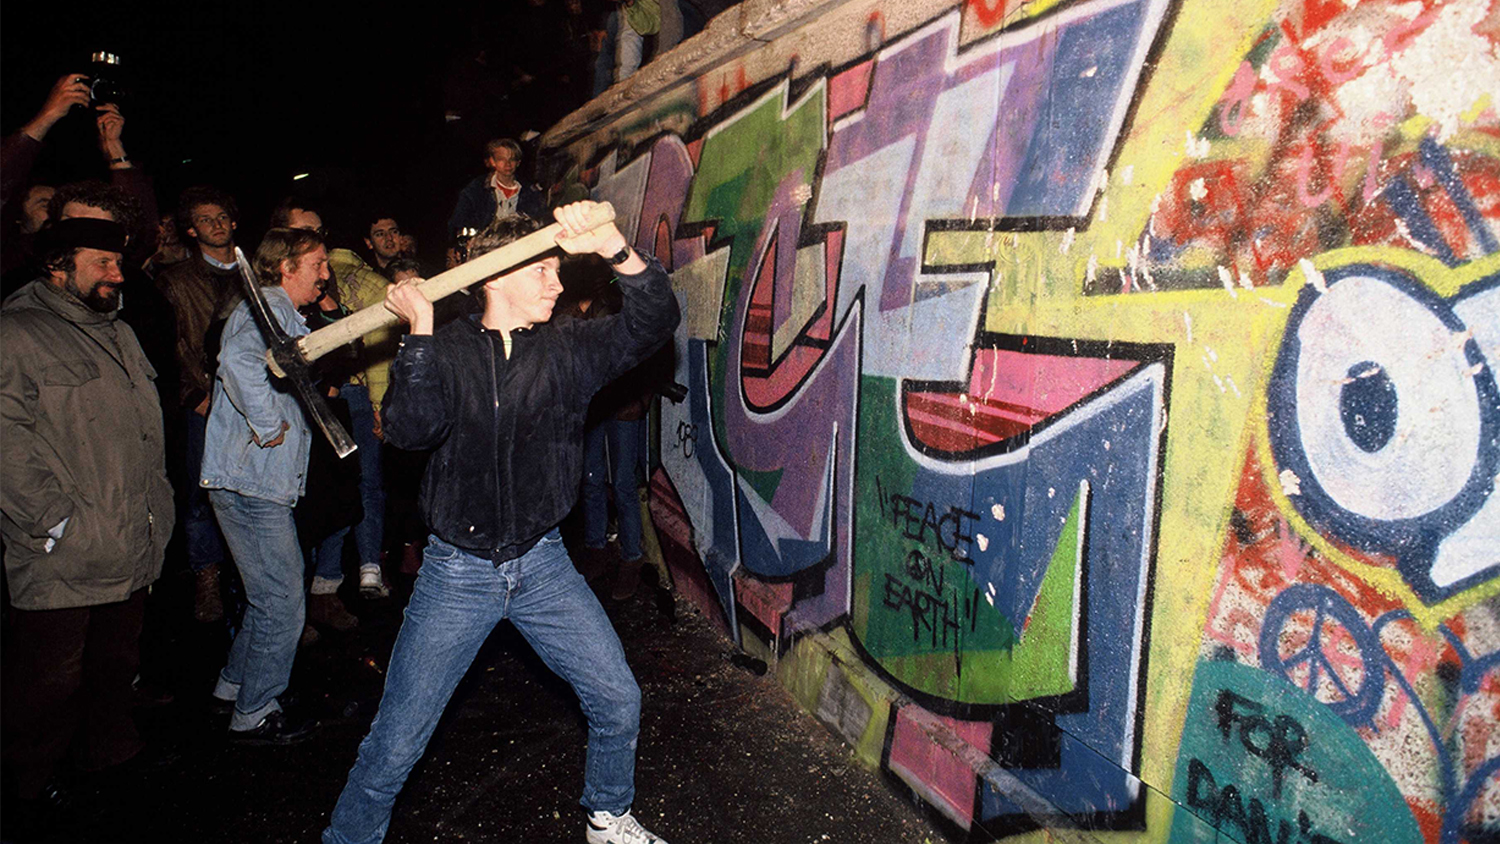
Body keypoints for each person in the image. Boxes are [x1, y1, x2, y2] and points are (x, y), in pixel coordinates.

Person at [322, 201, 680, 844]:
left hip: (542, 565)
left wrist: (614, 246)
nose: (556, 283)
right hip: (457, 576)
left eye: (557, 270)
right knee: (397, 740)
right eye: (542, 270)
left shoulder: (570, 348)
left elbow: (654, 320)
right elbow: (409, 429)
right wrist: (419, 334)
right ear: (493, 277)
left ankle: (607, 815)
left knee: (617, 697)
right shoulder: (446, 348)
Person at [0, 218, 176, 820]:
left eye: (118, 262)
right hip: (64, 548)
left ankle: (108, 758)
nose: (117, 273)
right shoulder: (17, 333)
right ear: (57, 265)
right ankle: (27, 787)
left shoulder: (117, 331)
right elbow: (5, 440)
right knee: (49, 680)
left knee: (113, 665)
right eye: (101, 261)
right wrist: (53, 521)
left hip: (128, 536)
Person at [200, 227, 330, 744]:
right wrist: (267, 423)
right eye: (317, 264)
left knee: (266, 595)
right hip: (252, 479)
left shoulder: (280, 312)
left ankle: (234, 688)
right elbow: (236, 363)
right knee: (283, 600)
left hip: (248, 478)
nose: (325, 274)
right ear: (286, 267)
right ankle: (255, 711)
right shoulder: (269, 307)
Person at [274, 199, 396, 604]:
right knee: (307, 497)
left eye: (319, 232)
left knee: (347, 490)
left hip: (338, 398)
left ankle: (327, 585)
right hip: (294, 409)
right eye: (304, 233)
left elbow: (353, 342)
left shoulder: (327, 281)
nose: (316, 240)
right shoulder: (268, 298)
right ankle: (298, 594)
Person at [156, 186, 245, 622]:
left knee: (254, 494)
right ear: (191, 230)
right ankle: (206, 580)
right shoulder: (176, 281)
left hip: (254, 400)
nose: (216, 225)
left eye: (221, 216)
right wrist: (193, 396)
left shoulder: (255, 272)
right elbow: (169, 345)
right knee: (201, 494)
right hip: (206, 401)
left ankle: (254, 583)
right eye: (205, 219)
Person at [446, 138, 544, 244]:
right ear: (492, 161)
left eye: (512, 159)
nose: (508, 164)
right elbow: (458, 223)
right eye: (502, 159)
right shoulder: (476, 189)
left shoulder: (530, 191)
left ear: (518, 162)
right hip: (483, 246)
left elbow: (538, 222)